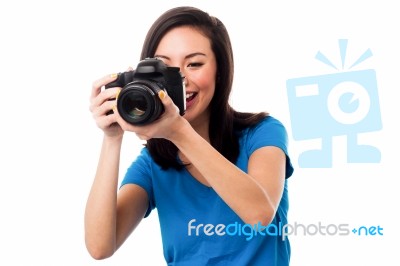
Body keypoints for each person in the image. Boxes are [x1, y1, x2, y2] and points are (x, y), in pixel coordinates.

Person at [85, 6, 294, 266]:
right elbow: (100, 246)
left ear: (220, 70)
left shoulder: (262, 133)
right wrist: (112, 137)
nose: (181, 80)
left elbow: (260, 215)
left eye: (194, 64)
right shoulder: (153, 162)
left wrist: (179, 132)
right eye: (163, 67)